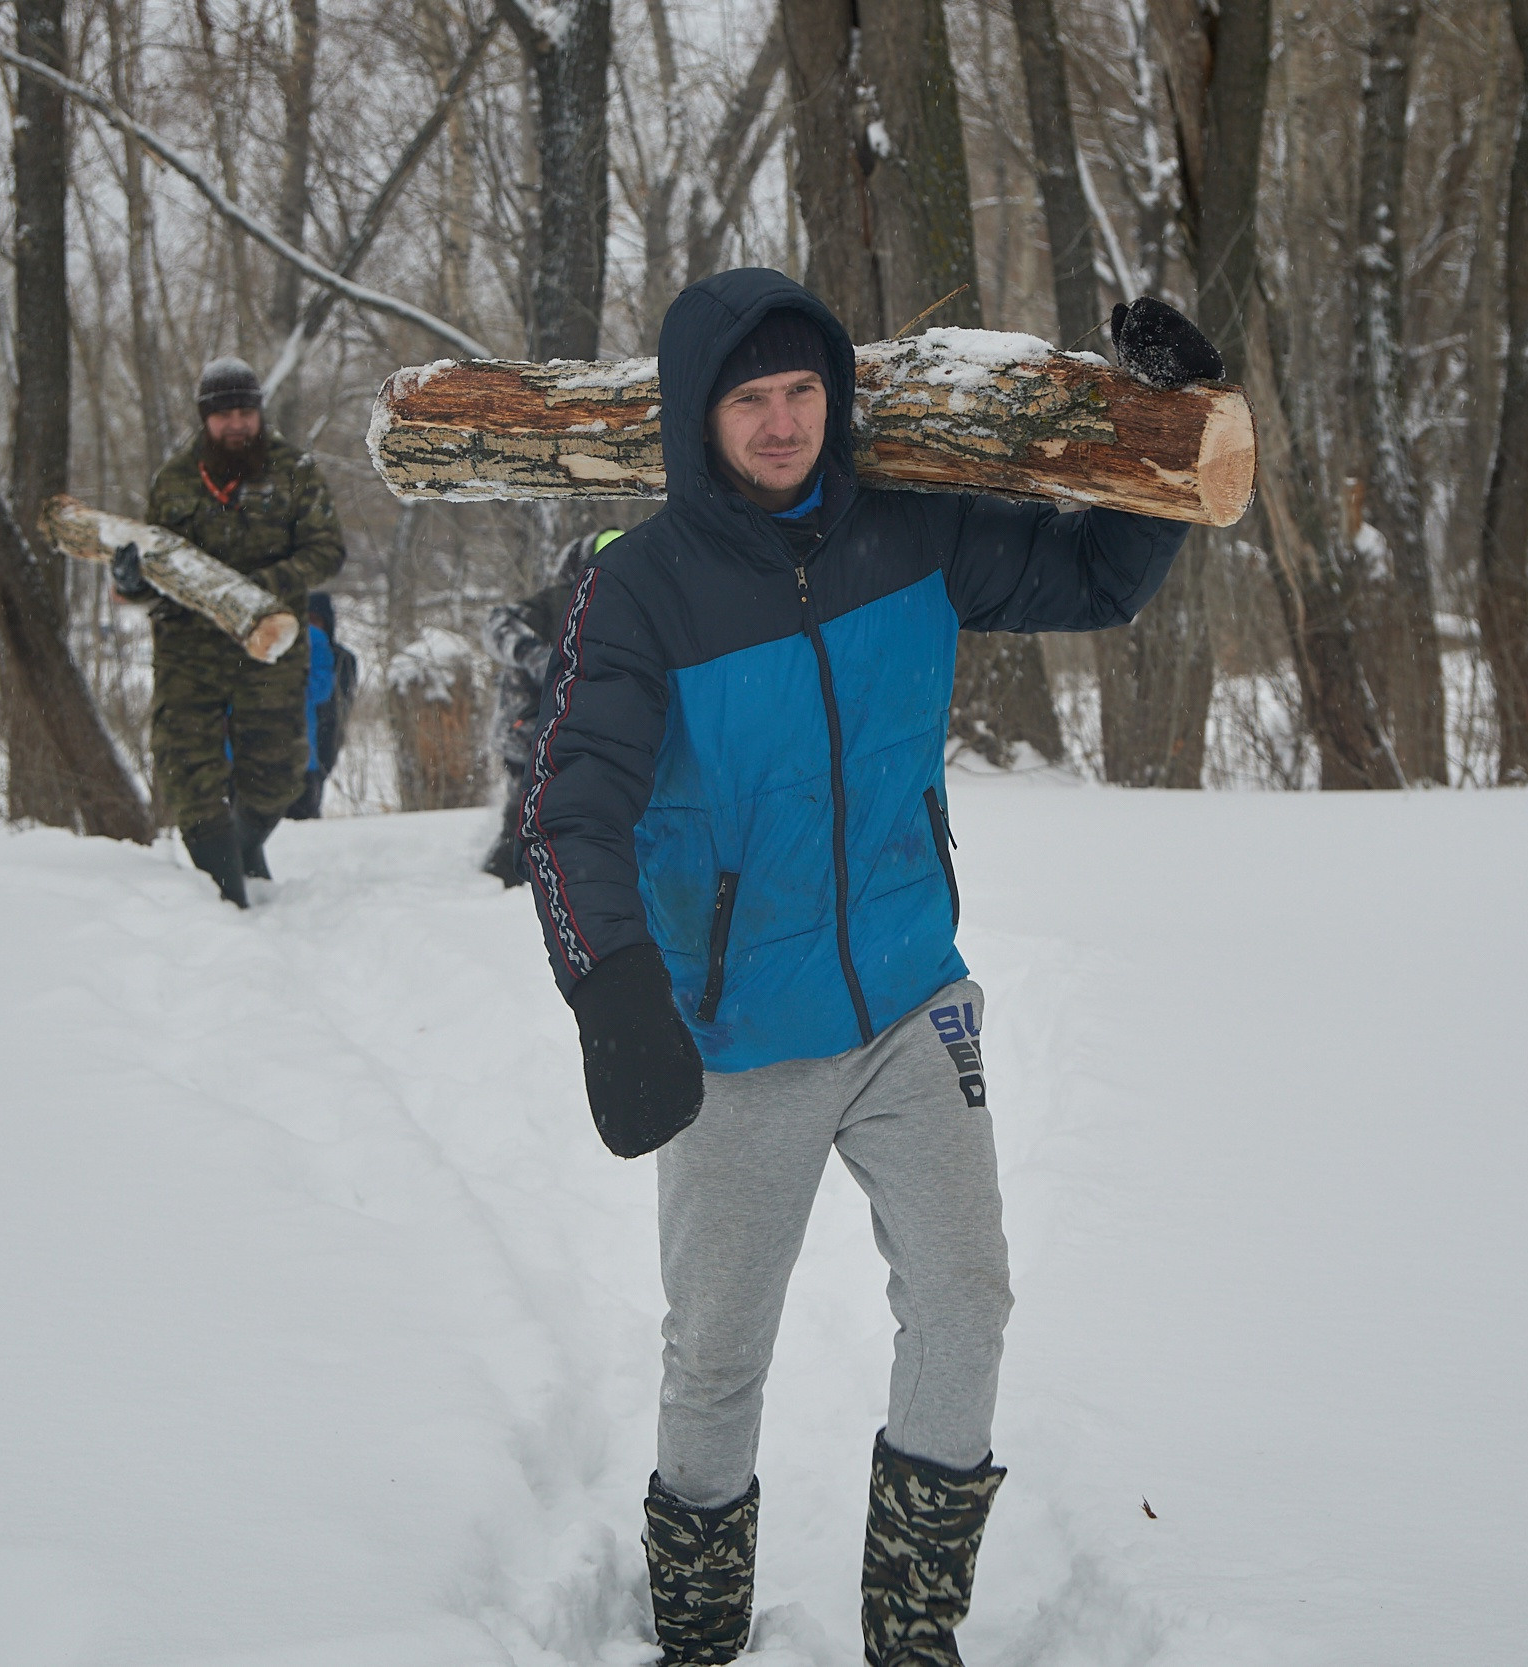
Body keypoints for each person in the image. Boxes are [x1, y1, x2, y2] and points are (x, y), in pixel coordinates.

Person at [512, 272, 1214, 1667]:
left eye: (801, 390)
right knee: (718, 1350)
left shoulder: (909, 526)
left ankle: (914, 1629)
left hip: (907, 993)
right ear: (695, 417)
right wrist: (615, 986)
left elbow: (1094, 576)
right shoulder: (639, 587)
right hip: (735, 1032)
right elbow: (572, 803)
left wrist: (1171, 422)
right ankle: (699, 1637)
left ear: (836, 394)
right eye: (748, 398)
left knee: (968, 1290)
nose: (781, 422)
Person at [122, 357, 345, 905]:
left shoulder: (294, 471)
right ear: (205, 420)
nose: (237, 424)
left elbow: (327, 550)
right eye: (224, 415)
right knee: (187, 770)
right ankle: (226, 895)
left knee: (279, 771)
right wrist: (131, 582)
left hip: (269, 643)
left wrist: (256, 586)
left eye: (245, 411)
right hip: (187, 647)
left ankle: (242, 852)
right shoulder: (174, 481)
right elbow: (155, 569)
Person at [481, 527, 621, 883]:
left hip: (579, 731)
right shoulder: (558, 601)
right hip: (529, 728)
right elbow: (498, 624)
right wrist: (533, 655)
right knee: (525, 811)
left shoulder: (630, 609)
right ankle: (503, 879)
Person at [284, 590, 359, 821]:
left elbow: (340, 700)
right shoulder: (288, 656)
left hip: (324, 735)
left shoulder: (341, 658)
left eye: (316, 621)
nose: (311, 628)